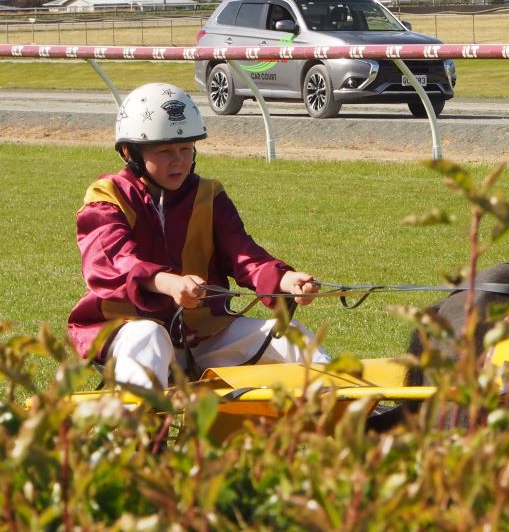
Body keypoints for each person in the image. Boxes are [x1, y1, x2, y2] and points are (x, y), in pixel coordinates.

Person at [68, 82, 331, 389]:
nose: (179, 160)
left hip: (203, 333)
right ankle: (144, 435)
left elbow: (244, 255)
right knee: (149, 337)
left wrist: (285, 280)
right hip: (125, 329)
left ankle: (359, 420)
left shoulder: (209, 195)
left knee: (292, 337)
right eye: (164, 151)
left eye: (186, 148)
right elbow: (113, 263)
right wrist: (169, 283)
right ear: (129, 152)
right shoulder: (106, 198)